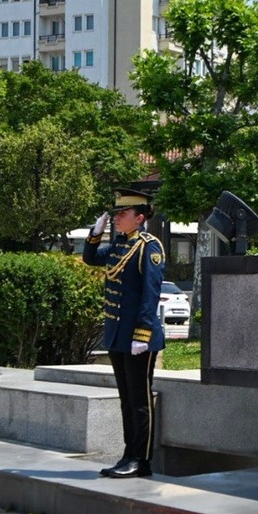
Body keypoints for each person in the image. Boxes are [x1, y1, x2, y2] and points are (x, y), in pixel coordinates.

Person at [84, 186, 166, 479]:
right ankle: (128, 454)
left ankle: (141, 460)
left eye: (123, 213)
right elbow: (92, 258)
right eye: (117, 212)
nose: (118, 217)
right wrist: (95, 234)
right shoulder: (119, 245)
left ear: (140, 217)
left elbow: (150, 293)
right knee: (126, 399)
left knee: (140, 400)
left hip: (138, 338)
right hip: (119, 335)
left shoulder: (149, 246)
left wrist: (142, 334)